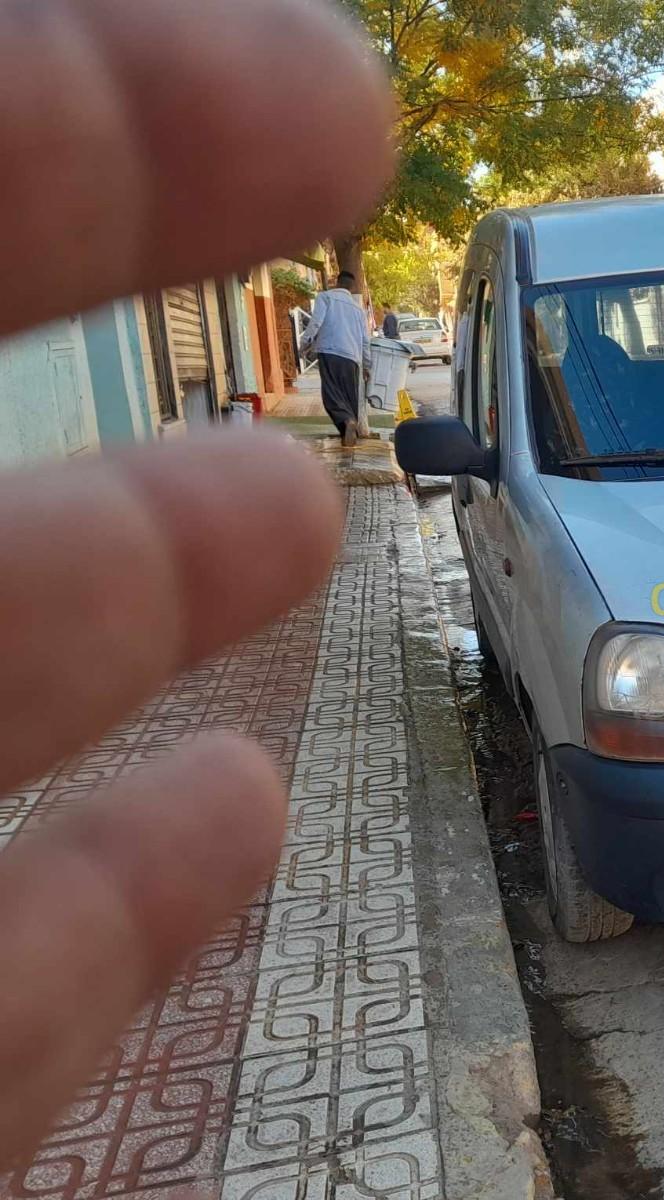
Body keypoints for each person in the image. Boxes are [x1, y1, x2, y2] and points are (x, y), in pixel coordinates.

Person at [0, 0, 393, 1171]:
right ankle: (342, 431)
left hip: (327, 384)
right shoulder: (326, 305)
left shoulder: (335, 304)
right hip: (322, 386)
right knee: (315, 430)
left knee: (315, 436)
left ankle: (345, 430)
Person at [298, 270, 372, 446]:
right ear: (352, 287)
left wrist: (305, 343)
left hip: (330, 352)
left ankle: (347, 422)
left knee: (332, 394)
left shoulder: (326, 297)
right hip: (352, 358)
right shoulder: (357, 309)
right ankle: (348, 432)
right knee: (349, 397)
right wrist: (367, 365)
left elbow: (316, 322)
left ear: (337, 282)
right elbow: (365, 340)